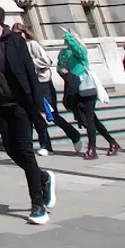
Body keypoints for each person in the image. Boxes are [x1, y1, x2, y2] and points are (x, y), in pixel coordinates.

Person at [0, 1, 54, 224]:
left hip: (20, 104)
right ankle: (43, 177)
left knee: (26, 151)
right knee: (11, 150)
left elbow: (30, 73)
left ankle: (38, 205)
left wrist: (39, 105)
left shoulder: (15, 40)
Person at [12, 22, 81, 154]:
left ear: (24, 33)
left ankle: (73, 134)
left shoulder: (32, 44)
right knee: (36, 115)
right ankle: (45, 144)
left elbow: (46, 61)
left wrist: (29, 63)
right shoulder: (15, 49)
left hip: (43, 83)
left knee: (51, 114)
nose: (17, 37)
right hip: (29, 84)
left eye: (19, 33)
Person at [57, 31, 119, 160]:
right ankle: (112, 142)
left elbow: (76, 50)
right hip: (74, 88)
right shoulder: (63, 53)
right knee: (91, 120)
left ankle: (92, 149)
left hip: (87, 87)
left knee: (89, 120)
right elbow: (60, 66)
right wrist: (61, 70)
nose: (66, 42)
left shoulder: (81, 51)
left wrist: (68, 36)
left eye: (70, 40)